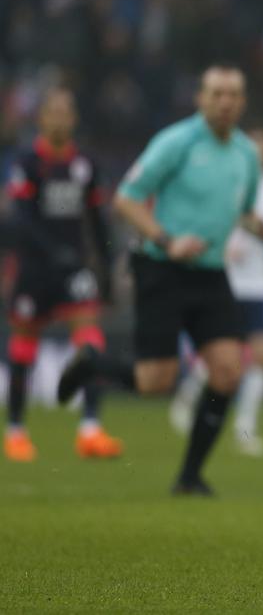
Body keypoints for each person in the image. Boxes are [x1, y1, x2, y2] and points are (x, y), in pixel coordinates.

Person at [57, 64, 263, 497]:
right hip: (161, 266)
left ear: (243, 102)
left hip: (210, 272)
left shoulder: (246, 154)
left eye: (233, 94)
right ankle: (91, 366)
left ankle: (190, 477)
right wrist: (166, 239)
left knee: (229, 372)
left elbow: (243, 212)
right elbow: (126, 199)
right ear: (200, 98)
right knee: (156, 381)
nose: (225, 101)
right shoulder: (176, 142)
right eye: (217, 93)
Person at [3, 88, 124, 462]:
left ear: (73, 120)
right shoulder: (26, 161)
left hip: (74, 269)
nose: (59, 119)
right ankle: (16, 432)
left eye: (65, 113)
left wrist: (106, 267)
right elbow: (20, 219)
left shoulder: (85, 163)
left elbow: (98, 219)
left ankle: (90, 430)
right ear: (40, 119)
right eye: (52, 113)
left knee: (91, 342)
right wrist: (51, 252)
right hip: (35, 270)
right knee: (24, 348)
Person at [168, 125, 263, 456]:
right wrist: (219, 247)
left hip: (261, 282)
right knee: (219, 353)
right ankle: (185, 403)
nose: (259, 154)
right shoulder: (230, 179)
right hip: (227, 280)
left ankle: (246, 426)